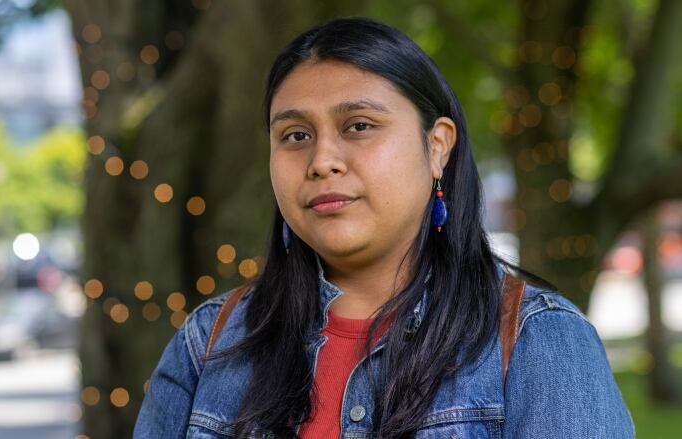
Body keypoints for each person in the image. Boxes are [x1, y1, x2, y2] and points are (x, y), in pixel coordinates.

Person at [134, 16, 634, 439]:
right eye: (295, 135)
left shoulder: (540, 342)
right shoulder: (208, 342)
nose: (322, 160)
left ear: (437, 146)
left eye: (359, 126)